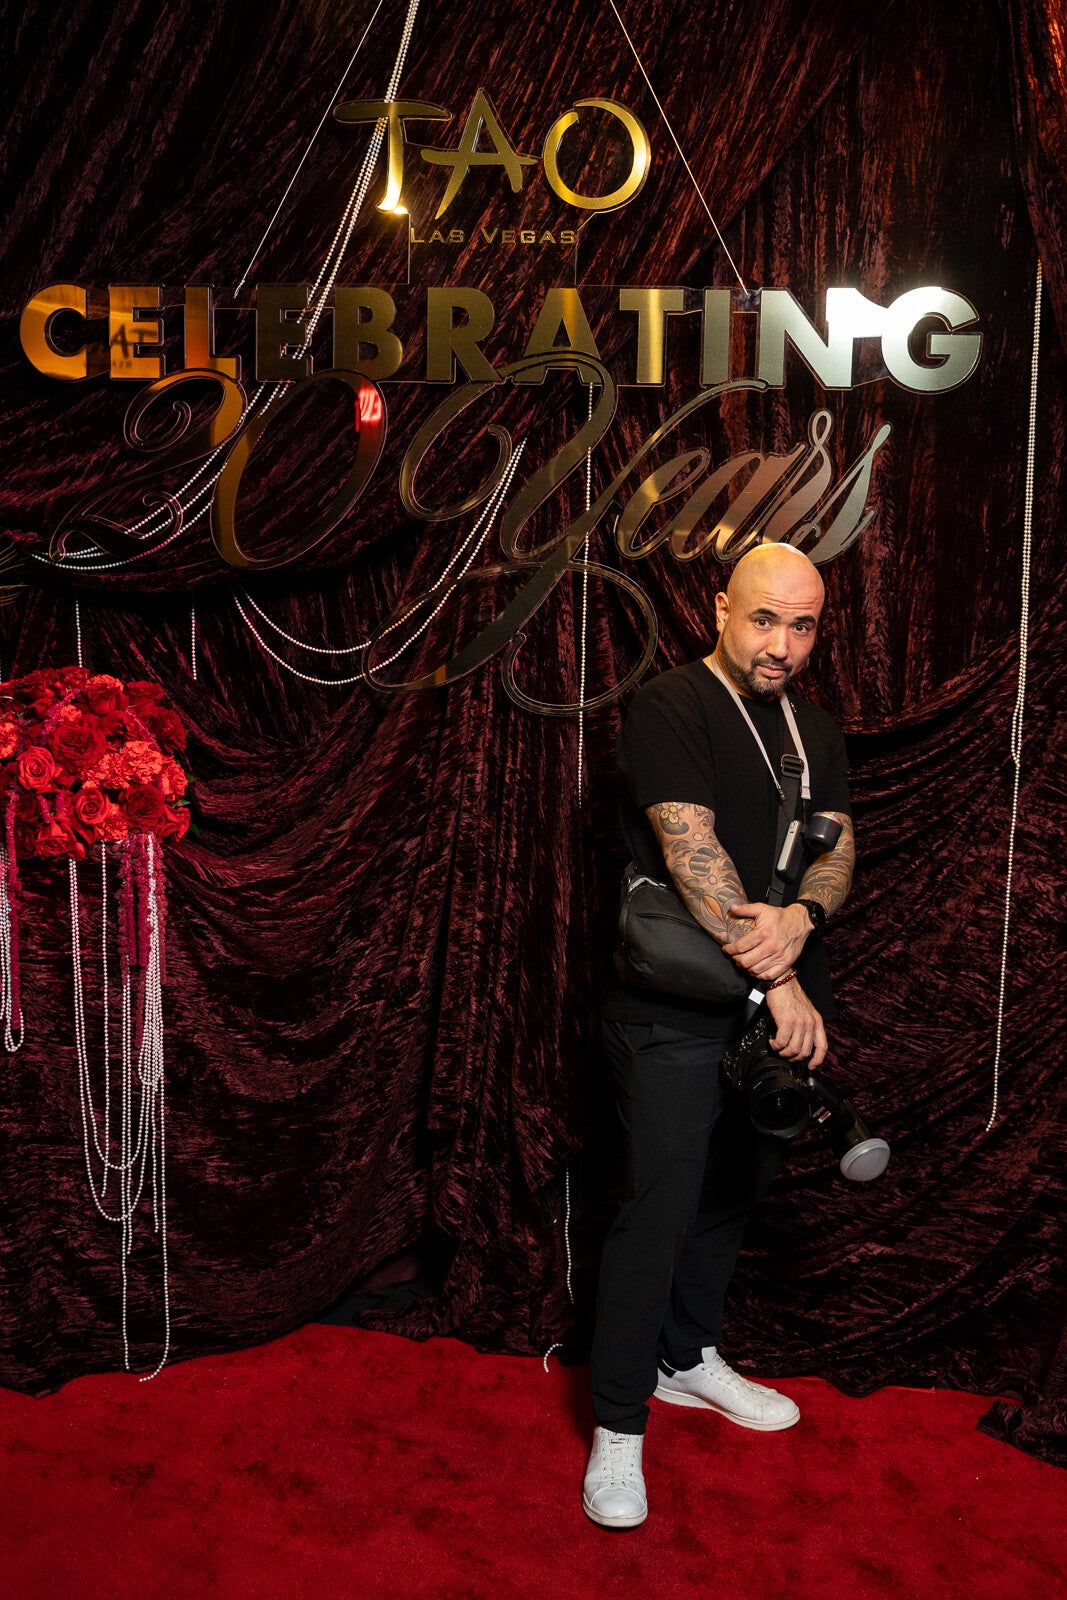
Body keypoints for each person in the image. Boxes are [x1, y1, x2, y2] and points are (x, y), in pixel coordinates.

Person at [583, 543, 855, 1530]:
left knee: (735, 1190)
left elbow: (835, 848)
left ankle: (686, 1358)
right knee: (656, 1209)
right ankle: (617, 1421)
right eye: (762, 619)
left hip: (780, 1003)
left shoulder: (812, 727)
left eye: (800, 625)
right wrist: (780, 978)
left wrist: (803, 919)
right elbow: (690, 856)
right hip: (678, 1003)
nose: (780, 644)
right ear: (718, 609)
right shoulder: (671, 705)